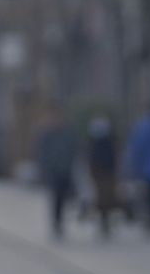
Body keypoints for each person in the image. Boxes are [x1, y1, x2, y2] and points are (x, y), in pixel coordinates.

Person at [35, 102, 78, 239]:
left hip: (65, 170)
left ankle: (60, 220)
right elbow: (42, 153)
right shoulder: (46, 133)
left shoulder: (67, 132)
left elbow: (73, 149)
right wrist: (44, 169)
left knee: (64, 198)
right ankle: (56, 221)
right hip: (53, 171)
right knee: (56, 197)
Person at [86, 115, 118, 237]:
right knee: (103, 199)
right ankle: (104, 222)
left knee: (106, 198)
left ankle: (105, 222)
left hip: (105, 173)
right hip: (101, 173)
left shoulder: (103, 142)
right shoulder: (99, 142)